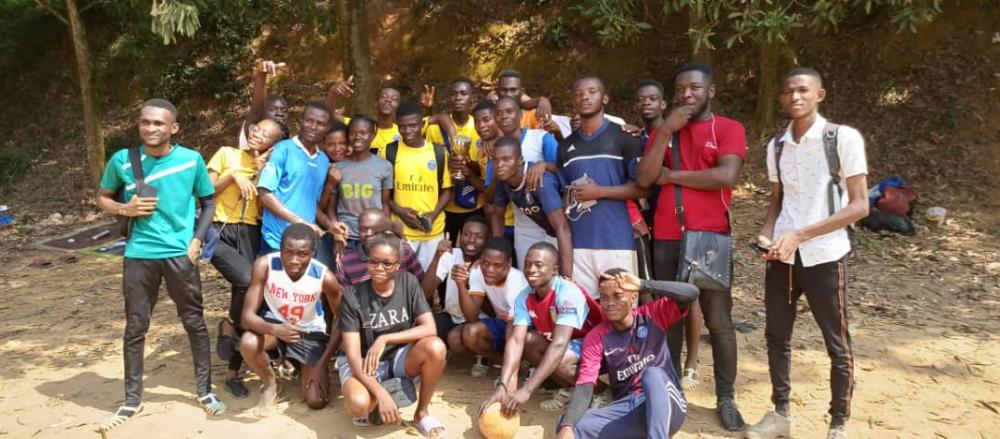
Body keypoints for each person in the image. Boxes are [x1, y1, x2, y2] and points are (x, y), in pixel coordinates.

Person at [746, 67, 868, 439]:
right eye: (789, 91)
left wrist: (800, 234)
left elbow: (859, 206)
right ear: (781, 98)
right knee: (776, 336)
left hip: (826, 255)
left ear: (819, 95)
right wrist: (767, 234)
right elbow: (777, 203)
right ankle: (781, 414)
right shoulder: (777, 146)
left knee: (837, 342)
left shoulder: (841, 138)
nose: (795, 97)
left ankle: (838, 423)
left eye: (803, 90)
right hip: (783, 258)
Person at [95, 99, 224, 431]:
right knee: (135, 327)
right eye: (145, 122)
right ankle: (132, 400)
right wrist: (124, 210)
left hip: (180, 254)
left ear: (173, 128)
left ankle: (204, 391)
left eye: (158, 123)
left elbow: (208, 202)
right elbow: (103, 197)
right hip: (139, 255)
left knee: (194, 323)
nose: (150, 128)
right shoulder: (122, 160)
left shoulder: (191, 160)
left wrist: (196, 241)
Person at [635, 63, 747, 431]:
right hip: (667, 234)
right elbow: (645, 178)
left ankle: (725, 397)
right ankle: (670, 391)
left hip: (710, 235)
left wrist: (673, 177)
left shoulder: (728, 128)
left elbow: (726, 175)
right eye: (681, 88)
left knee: (719, 320)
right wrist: (666, 130)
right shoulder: (666, 132)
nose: (686, 94)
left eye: (695, 88)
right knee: (671, 316)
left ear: (710, 91)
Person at [557, 269, 700, 439]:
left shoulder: (653, 315)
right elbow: (585, 386)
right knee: (569, 427)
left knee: (652, 375)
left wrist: (643, 284)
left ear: (633, 297)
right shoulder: (596, 337)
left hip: (668, 405)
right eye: (604, 297)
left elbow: (691, 293)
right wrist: (568, 426)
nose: (610, 303)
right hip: (629, 408)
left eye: (617, 296)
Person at [338, 232, 448, 438]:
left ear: (397, 265)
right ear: (367, 262)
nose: (379, 268)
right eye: (373, 262)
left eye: (387, 264)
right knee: (357, 405)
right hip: (364, 362)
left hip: (398, 357)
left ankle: (421, 414)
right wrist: (381, 394)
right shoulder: (352, 296)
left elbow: (429, 328)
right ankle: (377, 402)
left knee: (436, 347)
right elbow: (353, 357)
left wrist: (384, 338)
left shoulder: (408, 282)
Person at [206, 118, 284, 399]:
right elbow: (206, 191)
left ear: (273, 145)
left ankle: (232, 371)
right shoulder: (226, 153)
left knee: (250, 294)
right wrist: (233, 177)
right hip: (217, 229)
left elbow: (265, 204)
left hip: (250, 231)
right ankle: (229, 323)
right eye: (256, 129)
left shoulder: (270, 166)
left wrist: (260, 171)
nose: (257, 134)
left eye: (266, 135)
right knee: (246, 280)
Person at [481, 242, 605, 415]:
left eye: (539, 265)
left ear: (554, 270)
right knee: (528, 342)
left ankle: (602, 391)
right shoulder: (525, 295)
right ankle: (569, 388)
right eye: (527, 264)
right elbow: (516, 340)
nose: (531, 270)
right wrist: (503, 385)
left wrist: (527, 390)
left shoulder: (567, 293)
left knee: (559, 358)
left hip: (599, 345)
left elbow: (559, 345)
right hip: (567, 344)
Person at [238, 223, 342, 414]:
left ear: (313, 253)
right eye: (288, 252)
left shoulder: (324, 277)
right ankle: (270, 384)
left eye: (302, 254)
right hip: (274, 327)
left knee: (317, 401)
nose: (294, 260)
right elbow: (246, 317)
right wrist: (275, 329)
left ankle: (300, 364)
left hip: (309, 331)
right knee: (249, 342)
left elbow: (343, 322)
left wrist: (322, 364)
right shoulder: (265, 265)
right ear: (280, 250)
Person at [558, 76, 645, 297]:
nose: (585, 97)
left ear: (605, 98)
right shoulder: (566, 146)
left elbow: (642, 188)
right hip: (579, 243)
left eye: (592, 92)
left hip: (616, 240)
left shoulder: (625, 137)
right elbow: (564, 192)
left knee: (621, 306)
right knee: (585, 309)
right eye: (579, 94)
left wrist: (600, 192)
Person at [257, 101, 341, 255]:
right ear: (300, 120)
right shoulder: (282, 149)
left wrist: (331, 226)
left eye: (320, 124)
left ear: (328, 128)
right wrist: (301, 222)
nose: (313, 127)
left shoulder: (323, 160)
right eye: (309, 120)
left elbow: (313, 206)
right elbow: (265, 194)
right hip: (276, 241)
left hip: (305, 245)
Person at [382, 101, 453, 271]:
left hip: (432, 232)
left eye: (413, 126)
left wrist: (432, 215)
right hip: (401, 232)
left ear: (422, 124)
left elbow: (447, 191)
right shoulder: (389, 151)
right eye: (402, 126)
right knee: (401, 279)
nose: (407, 131)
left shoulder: (438, 152)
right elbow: (384, 195)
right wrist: (400, 211)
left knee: (430, 279)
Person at [492, 96, 562, 268]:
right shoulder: (495, 148)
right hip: (524, 224)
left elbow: (565, 171)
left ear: (520, 115)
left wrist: (544, 165)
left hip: (553, 217)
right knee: (529, 273)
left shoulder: (541, 138)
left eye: (509, 111)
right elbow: (495, 203)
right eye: (499, 113)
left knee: (553, 271)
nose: (504, 116)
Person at [489, 136, 573, 277]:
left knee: (556, 278)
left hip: (569, 232)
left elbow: (562, 227)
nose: (499, 165)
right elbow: (497, 215)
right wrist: (496, 251)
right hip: (542, 228)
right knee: (533, 276)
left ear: (520, 160)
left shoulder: (540, 181)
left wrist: (566, 277)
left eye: (506, 159)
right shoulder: (503, 179)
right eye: (496, 160)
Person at [453, 237, 529, 377]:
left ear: (509, 263)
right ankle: (502, 361)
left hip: (522, 327)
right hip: (502, 322)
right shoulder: (478, 272)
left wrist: (507, 380)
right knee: (456, 338)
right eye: (485, 263)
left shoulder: (517, 282)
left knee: (518, 335)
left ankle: (512, 366)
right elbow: (471, 316)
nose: (489, 270)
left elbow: (514, 328)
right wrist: (461, 284)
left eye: (497, 265)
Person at [429, 77, 487, 245]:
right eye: (454, 94)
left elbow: (484, 172)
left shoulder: (481, 128)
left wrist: (466, 164)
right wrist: (446, 165)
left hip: (475, 205)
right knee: (445, 251)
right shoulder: (436, 128)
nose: (458, 98)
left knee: (473, 250)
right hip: (444, 206)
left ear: (473, 98)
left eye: (463, 93)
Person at [323, 115, 393, 249]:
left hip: (374, 235)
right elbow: (331, 207)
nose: (357, 137)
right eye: (353, 133)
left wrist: (387, 232)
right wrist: (336, 230)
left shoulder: (385, 166)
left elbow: (385, 203)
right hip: (346, 237)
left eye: (363, 133)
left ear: (372, 135)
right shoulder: (337, 167)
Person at [423, 216, 489, 344]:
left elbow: (480, 313)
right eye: (466, 234)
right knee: (422, 328)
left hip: (479, 319)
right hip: (451, 316)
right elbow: (424, 293)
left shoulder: (490, 263)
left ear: (487, 240)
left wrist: (467, 282)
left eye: (479, 236)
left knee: (457, 340)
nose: (471, 240)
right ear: (460, 236)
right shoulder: (451, 255)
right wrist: (437, 257)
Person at [335, 208, 428, 288]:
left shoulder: (403, 250)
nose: (369, 234)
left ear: (386, 230)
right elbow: (343, 299)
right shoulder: (346, 262)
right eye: (363, 229)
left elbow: (421, 283)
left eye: (375, 229)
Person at [239, 59, 289, 150]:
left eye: (284, 110)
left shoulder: (286, 140)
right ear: (263, 112)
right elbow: (257, 111)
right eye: (272, 109)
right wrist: (262, 73)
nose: (280, 113)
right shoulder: (253, 133)